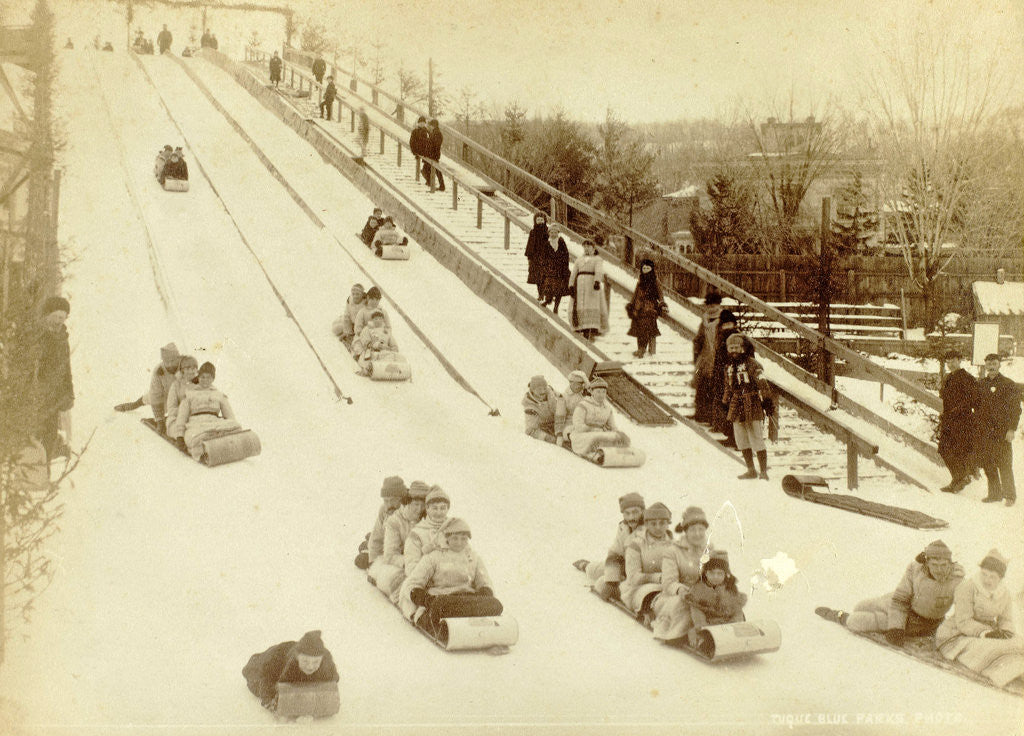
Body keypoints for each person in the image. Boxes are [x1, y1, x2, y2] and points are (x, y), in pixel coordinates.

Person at [815, 539, 965, 646]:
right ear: (926, 563)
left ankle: (839, 616)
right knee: (861, 605)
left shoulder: (957, 579)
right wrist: (896, 627)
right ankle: (877, 617)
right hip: (899, 604)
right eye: (934, 564)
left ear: (949, 563)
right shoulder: (916, 569)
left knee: (855, 621)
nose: (939, 569)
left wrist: (896, 628)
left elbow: (966, 607)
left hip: (916, 622)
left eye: (943, 565)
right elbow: (900, 599)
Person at [936, 549, 1024, 688]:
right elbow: (963, 621)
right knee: (993, 649)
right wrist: (986, 633)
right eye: (984, 574)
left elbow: (1006, 619)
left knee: (1019, 643)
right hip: (959, 633)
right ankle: (1004, 672)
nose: (987, 580)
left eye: (992, 577)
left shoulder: (1004, 594)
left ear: (1000, 578)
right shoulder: (968, 587)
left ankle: (1018, 670)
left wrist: (1006, 631)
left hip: (989, 632)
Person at [403, 518, 503, 635]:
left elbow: (484, 581)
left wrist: (485, 592)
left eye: (463, 539)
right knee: (440, 606)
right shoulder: (433, 556)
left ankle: (465, 621)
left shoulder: (473, 557)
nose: (459, 542)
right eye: (455, 538)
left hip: (466, 599)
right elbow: (412, 584)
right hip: (442, 599)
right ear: (447, 538)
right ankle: (451, 623)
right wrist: (427, 600)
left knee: (496, 604)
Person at [652, 506, 715, 641]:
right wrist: (680, 589)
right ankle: (688, 634)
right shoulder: (673, 551)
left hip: (703, 595)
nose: (697, 533)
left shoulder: (710, 549)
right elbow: (668, 582)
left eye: (701, 529)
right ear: (685, 531)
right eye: (693, 530)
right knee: (685, 608)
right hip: (676, 597)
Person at [573, 492, 646, 601]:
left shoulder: (651, 528)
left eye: (635, 512)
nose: (631, 517)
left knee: (601, 583)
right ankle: (586, 566)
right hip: (624, 567)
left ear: (642, 511)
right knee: (594, 570)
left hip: (640, 573)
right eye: (627, 513)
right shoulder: (624, 528)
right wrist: (612, 581)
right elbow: (615, 553)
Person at [242, 630, 339, 711]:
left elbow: (334, 680)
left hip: (293, 651)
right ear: (297, 657)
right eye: (305, 661)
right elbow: (266, 678)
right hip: (271, 657)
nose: (310, 666)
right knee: (255, 684)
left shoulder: (326, 661)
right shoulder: (278, 661)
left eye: (315, 662)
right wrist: (269, 701)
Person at [723, 332, 774, 480]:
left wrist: (767, 401)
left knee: (756, 437)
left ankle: (763, 471)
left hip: (752, 403)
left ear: (743, 348)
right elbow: (728, 386)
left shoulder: (753, 364)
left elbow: (762, 384)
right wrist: (726, 401)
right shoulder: (728, 368)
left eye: (736, 348)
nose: (734, 352)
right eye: (731, 348)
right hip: (736, 404)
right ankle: (751, 469)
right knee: (741, 439)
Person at [371, 481, 429, 600]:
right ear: (408, 502)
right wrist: (372, 561)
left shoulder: (431, 517)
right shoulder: (395, 521)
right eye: (416, 504)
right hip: (404, 561)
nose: (419, 509)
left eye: (423, 505)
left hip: (426, 563)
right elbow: (390, 555)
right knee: (395, 579)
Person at [170, 362, 240, 459]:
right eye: (202, 377)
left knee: (235, 426)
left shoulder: (219, 394)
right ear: (198, 377)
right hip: (196, 423)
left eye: (208, 377)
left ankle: (217, 445)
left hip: (214, 422)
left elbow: (230, 416)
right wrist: (180, 436)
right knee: (193, 437)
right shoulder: (190, 394)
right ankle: (207, 449)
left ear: (213, 379)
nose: (205, 380)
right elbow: (182, 416)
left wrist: (234, 427)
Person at [976, 353, 1020, 506]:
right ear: (985, 366)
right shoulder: (981, 384)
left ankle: (1010, 496)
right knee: (988, 462)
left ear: (999, 364)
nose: (991, 366)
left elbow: (1016, 409)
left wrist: (1011, 429)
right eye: (988, 364)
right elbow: (976, 406)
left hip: (1002, 432)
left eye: (994, 363)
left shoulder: (1008, 384)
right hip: (985, 431)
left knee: (1004, 463)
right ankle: (994, 494)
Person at [620, 503, 674, 624]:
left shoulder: (674, 545)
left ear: (668, 524)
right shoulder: (636, 545)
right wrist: (657, 577)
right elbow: (633, 578)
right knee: (657, 596)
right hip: (639, 587)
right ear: (646, 524)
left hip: (668, 584)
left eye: (662, 523)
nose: (658, 527)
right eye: (653, 523)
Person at [36, 296, 74, 460]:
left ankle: (45, 475)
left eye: (62, 317)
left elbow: (66, 368)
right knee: (36, 434)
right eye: (56, 316)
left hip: (55, 394)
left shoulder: (63, 338)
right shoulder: (39, 335)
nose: (59, 320)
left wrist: (69, 393)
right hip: (38, 392)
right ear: (48, 315)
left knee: (50, 433)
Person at [683, 553, 747, 652]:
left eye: (720, 573)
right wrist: (704, 629)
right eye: (712, 573)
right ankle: (703, 641)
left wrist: (735, 625)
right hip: (709, 624)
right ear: (705, 573)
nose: (715, 577)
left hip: (727, 623)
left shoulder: (730, 589)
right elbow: (697, 612)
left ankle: (733, 640)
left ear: (725, 575)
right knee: (705, 638)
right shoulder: (699, 590)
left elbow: (737, 610)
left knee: (739, 625)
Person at [114, 343, 181, 433]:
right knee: (149, 398)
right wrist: (160, 421)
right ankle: (134, 404)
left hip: (179, 395)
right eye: (166, 361)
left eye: (173, 360)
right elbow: (155, 396)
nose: (170, 364)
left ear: (178, 358)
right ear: (163, 360)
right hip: (163, 395)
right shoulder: (159, 371)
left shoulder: (186, 366)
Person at [938, 350, 979, 494]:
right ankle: (960, 477)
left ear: (960, 360)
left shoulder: (967, 378)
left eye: (953, 361)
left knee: (957, 450)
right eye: (948, 361)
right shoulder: (948, 377)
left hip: (962, 421)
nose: (950, 364)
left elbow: (973, 400)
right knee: (943, 449)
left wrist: (957, 411)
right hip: (948, 420)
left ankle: (958, 480)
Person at [569, 376, 628, 458]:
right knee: (595, 437)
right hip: (582, 435)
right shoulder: (583, 405)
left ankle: (612, 452)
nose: (601, 395)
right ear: (592, 392)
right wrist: (591, 429)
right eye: (598, 392)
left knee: (617, 437)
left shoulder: (607, 409)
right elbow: (578, 425)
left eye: (603, 392)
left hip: (600, 434)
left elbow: (613, 426)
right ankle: (595, 454)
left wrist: (618, 434)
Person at [355, 475, 406, 570]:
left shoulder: (408, 513)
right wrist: (373, 562)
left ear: (401, 499)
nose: (389, 504)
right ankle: (368, 542)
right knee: (365, 552)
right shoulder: (384, 509)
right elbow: (377, 536)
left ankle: (368, 542)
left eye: (393, 500)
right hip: (385, 541)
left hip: (397, 548)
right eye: (386, 501)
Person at [569, 239, 609, 341]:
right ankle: (580, 325)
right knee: (580, 304)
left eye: (589, 246)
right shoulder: (579, 260)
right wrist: (571, 284)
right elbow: (574, 272)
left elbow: (598, 271)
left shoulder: (597, 259)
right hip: (580, 284)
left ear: (593, 248)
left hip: (591, 284)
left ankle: (591, 327)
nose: (587, 248)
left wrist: (597, 281)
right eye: (585, 246)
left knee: (590, 303)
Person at [626, 258, 667, 359]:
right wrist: (632, 304)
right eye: (644, 268)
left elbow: (660, 293)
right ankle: (640, 348)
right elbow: (636, 293)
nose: (645, 270)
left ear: (652, 269)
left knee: (646, 329)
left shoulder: (655, 280)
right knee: (638, 329)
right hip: (638, 307)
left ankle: (643, 349)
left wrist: (662, 303)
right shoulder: (640, 280)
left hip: (649, 308)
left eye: (648, 268)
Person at [711, 309, 738, 446]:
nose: (725, 327)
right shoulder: (723, 338)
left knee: (732, 408)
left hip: (731, 378)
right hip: (725, 377)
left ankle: (735, 439)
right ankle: (732, 437)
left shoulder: (732, 339)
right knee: (727, 408)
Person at [521, 375, 566, 445]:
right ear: (533, 390)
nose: (543, 391)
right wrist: (548, 438)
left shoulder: (550, 391)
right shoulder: (530, 408)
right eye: (539, 389)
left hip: (560, 421)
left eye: (544, 388)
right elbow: (530, 431)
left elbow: (562, 398)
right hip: (547, 428)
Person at [351, 310, 398, 376]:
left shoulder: (386, 331)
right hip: (370, 351)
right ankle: (369, 369)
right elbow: (365, 341)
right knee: (368, 358)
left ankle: (387, 368)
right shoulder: (367, 329)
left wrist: (393, 348)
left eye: (380, 319)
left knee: (390, 356)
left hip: (384, 352)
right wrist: (376, 345)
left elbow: (392, 342)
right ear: (372, 320)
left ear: (383, 320)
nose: (378, 321)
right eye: (376, 319)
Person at [164, 355, 199, 445]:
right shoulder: (176, 385)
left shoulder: (201, 383)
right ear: (182, 370)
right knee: (186, 433)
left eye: (194, 368)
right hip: (176, 419)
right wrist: (185, 411)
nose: (191, 371)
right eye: (188, 368)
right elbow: (171, 409)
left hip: (196, 418)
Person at [541, 227, 571, 313]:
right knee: (549, 286)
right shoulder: (547, 243)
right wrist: (545, 265)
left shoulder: (561, 242)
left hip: (560, 269)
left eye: (555, 232)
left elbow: (566, 255)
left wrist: (564, 266)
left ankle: (556, 307)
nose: (553, 234)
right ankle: (548, 300)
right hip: (550, 269)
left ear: (558, 233)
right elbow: (544, 256)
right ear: (549, 233)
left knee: (559, 289)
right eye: (551, 232)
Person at [559, 370, 589, 447]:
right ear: (571, 383)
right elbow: (559, 416)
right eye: (576, 383)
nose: (579, 386)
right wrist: (559, 434)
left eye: (581, 383)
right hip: (570, 425)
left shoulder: (585, 395)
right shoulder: (564, 397)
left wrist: (588, 386)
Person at [524, 214, 550, 300]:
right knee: (538, 278)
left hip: (546, 257)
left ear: (545, 220)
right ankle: (541, 294)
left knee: (546, 277)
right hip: (535, 258)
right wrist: (529, 256)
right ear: (535, 221)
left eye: (541, 219)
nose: (540, 221)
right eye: (538, 220)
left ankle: (547, 293)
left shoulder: (548, 231)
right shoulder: (533, 232)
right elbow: (530, 244)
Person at [424, 119, 445, 191]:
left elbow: (435, 144)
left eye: (431, 125)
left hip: (434, 155)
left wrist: (431, 152)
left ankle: (437, 185)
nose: (430, 126)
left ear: (433, 125)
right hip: (433, 154)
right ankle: (432, 183)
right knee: (431, 169)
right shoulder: (435, 132)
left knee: (433, 170)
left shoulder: (437, 133)